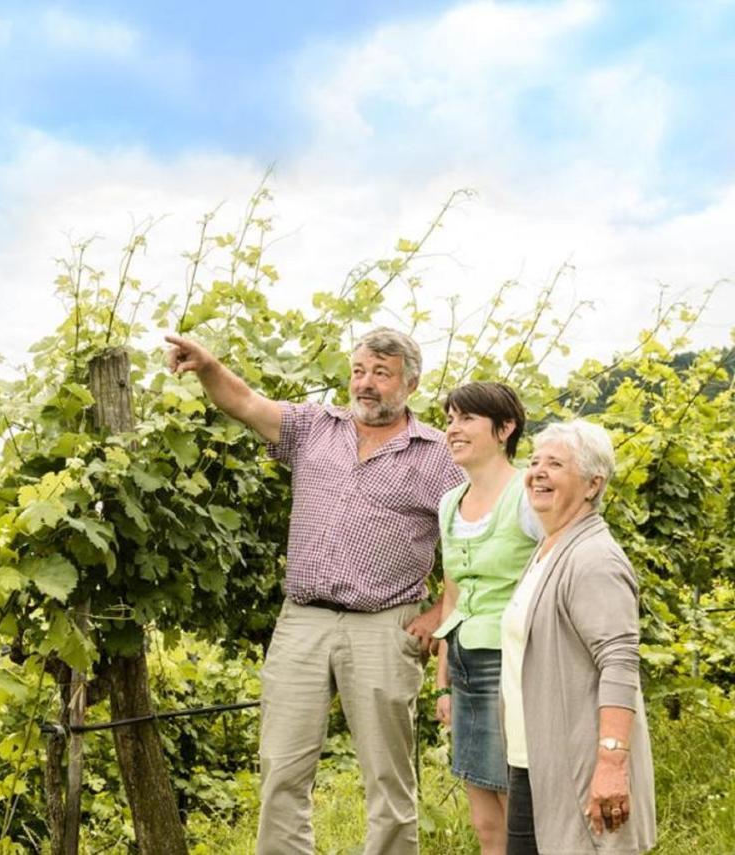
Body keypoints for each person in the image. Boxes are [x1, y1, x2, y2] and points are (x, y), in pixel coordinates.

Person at [166, 327, 463, 855]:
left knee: (387, 780)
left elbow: (469, 541)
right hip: (302, 619)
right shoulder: (313, 427)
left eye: (381, 374)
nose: (365, 384)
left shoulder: (438, 456)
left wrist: (441, 612)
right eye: (359, 371)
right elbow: (245, 402)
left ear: (410, 384)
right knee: (281, 767)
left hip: (384, 623)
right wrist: (208, 365)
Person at [501, 420, 656, 854]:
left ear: (592, 484)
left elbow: (620, 661)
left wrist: (611, 762)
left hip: (579, 767)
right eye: (534, 462)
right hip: (534, 761)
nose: (538, 472)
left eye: (555, 463)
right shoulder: (550, 547)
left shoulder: (593, 558)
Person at [431, 382, 542, 855]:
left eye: (467, 419)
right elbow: (451, 594)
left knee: (517, 804)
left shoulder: (529, 495)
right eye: (450, 419)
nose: (453, 429)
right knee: (482, 816)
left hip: (512, 663)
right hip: (464, 663)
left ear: (505, 428)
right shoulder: (449, 502)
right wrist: (442, 682)